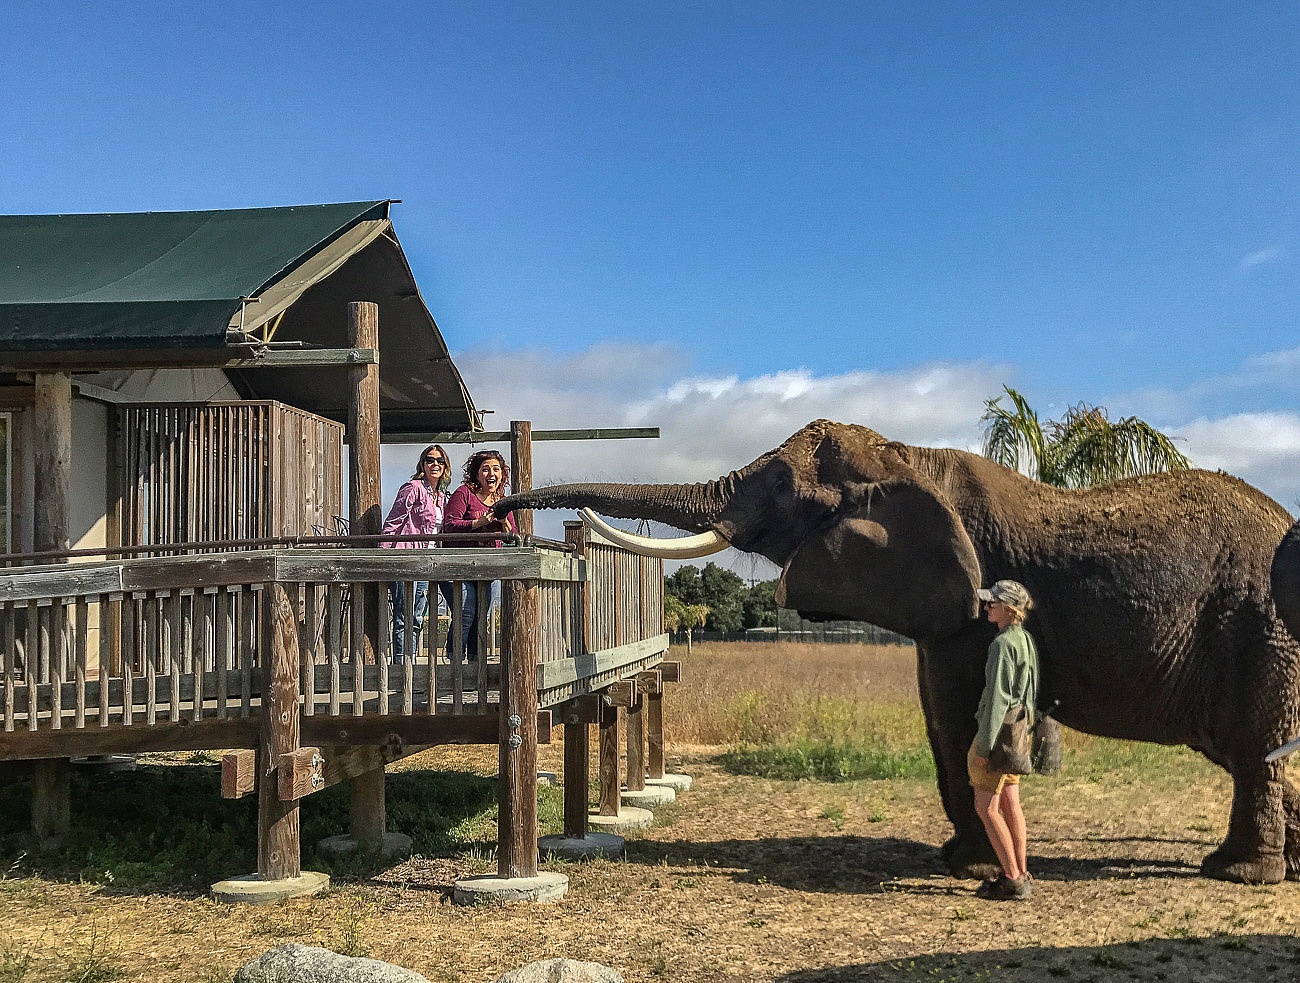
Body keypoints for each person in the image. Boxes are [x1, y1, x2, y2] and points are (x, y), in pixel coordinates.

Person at [970, 578, 1040, 901]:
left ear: (1009, 609)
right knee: (1011, 802)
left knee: (986, 807)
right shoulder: (1025, 640)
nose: (987, 607)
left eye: (993, 603)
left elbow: (997, 699)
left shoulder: (1001, 645)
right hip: (1018, 732)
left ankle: (1011, 878)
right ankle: (1021, 871)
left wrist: (984, 746)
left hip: (998, 736)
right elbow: (1031, 693)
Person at [380, 444, 454, 662]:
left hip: (429, 562)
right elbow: (393, 522)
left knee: (417, 617)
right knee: (404, 617)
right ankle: (402, 667)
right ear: (422, 464)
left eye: (440, 461)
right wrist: (383, 557)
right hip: (407, 560)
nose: (435, 464)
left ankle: (410, 663)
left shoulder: (441, 496)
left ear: (445, 466)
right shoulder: (412, 488)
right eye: (430, 460)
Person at [441, 449, 516, 661]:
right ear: (476, 473)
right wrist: (480, 522)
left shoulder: (503, 500)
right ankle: (455, 659)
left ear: (502, 474)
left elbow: (514, 535)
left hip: (488, 568)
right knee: (466, 613)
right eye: (485, 469)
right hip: (460, 566)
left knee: (481, 616)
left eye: (496, 469)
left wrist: (504, 524)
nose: (491, 473)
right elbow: (450, 524)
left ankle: (476, 662)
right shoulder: (464, 493)